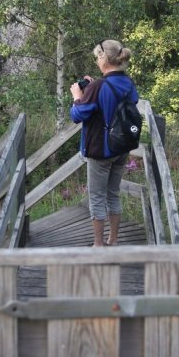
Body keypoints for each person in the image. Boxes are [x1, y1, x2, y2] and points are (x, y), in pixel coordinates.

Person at [70, 39, 139, 247]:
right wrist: (92, 89)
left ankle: (99, 245)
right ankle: (113, 240)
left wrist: (77, 96)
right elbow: (128, 103)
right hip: (121, 147)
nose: (96, 61)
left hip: (101, 150)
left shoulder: (98, 86)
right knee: (113, 194)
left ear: (103, 57)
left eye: (97, 57)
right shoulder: (127, 83)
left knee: (97, 198)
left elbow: (77, 114)